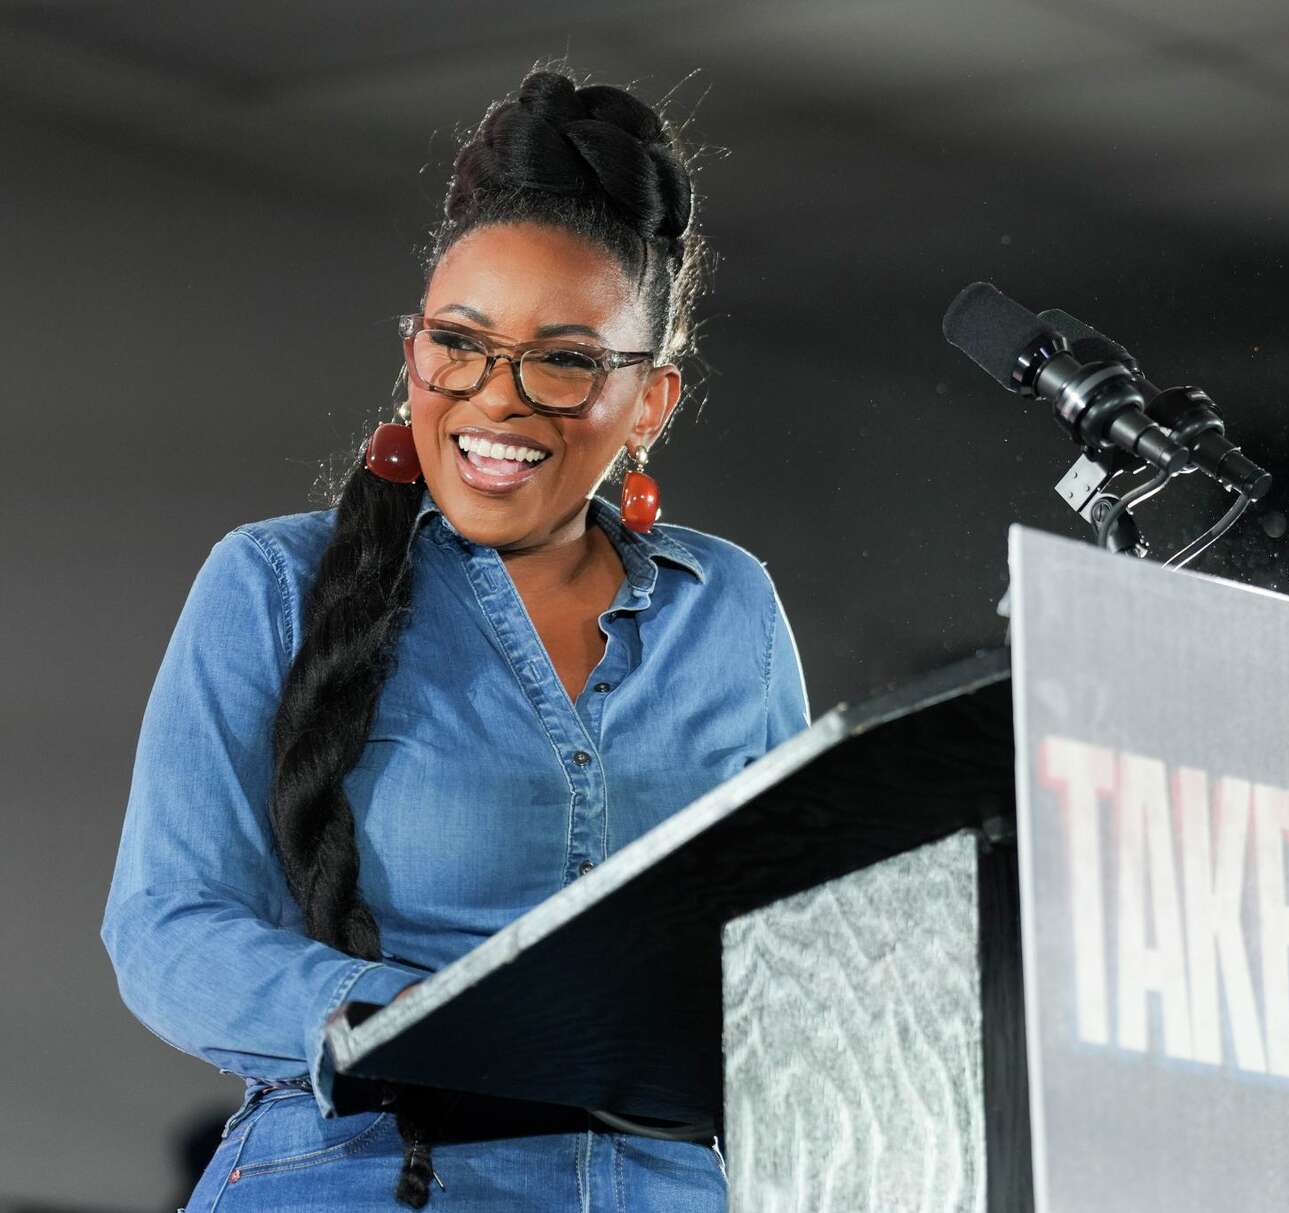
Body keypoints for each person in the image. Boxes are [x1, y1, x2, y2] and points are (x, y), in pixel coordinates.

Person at [99, 62, 810, 1210]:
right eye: (459, 344)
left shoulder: (727, 608)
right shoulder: (274, 583)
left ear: (650, 402)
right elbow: (169, 930)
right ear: (414, 350)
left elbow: (795, 947)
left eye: (566, 358)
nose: (496, 398)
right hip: (363, 1173)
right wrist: (405, 1020)